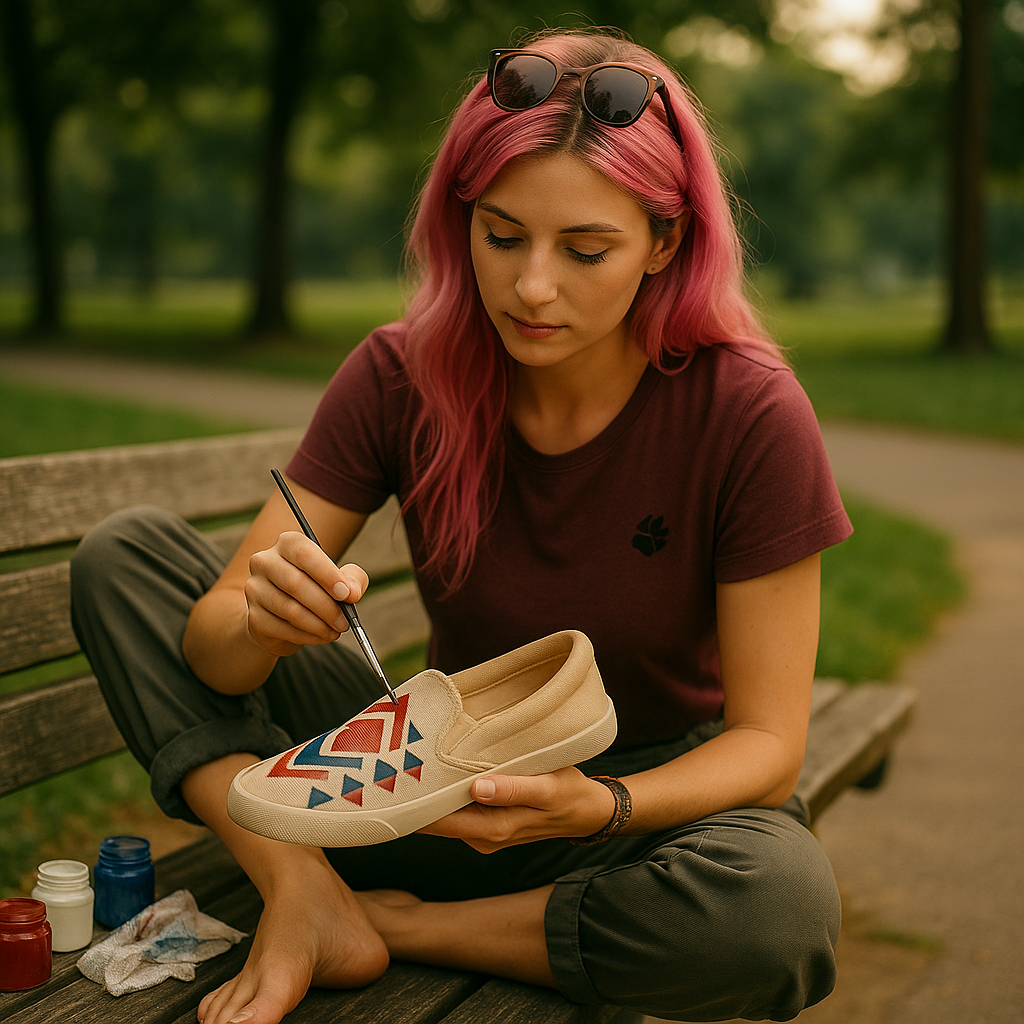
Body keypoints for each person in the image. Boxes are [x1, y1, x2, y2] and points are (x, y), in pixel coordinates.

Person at [71, 28, 852, 1024]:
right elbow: (218, 656)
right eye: (501, 233)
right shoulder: (401, 373)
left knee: (773, 910)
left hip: (629, 809)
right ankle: (299, 886)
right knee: (123, 554)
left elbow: (766, 743)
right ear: (462, 219)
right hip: (417, 782)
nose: (531, 287)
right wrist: (263, 618)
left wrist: (598, 805)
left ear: (665, 241)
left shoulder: (746, 410)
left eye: (585, 249)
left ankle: (382, 922)